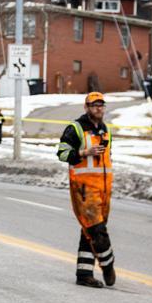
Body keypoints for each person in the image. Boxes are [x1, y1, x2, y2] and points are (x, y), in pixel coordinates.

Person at [57, 91, 116, 288]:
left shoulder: (105, 130)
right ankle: (108, 265)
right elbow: (63, 153)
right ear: (86, 108)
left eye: (101, 105)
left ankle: (84, 274)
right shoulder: (76, 128)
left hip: (103, 189)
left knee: (88, 232)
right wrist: (84, 152)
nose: (98, 108)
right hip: (84, 189)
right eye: (94, 105)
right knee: (97, 230)